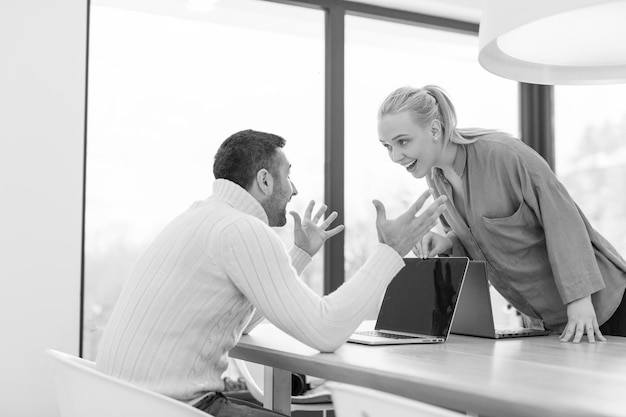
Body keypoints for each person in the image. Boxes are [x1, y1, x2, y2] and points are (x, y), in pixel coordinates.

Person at [96, 129, 447, 417]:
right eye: (288, 174)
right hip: (174, 409)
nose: (294, 189)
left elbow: (239, 321)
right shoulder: (241, 229)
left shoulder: (200, 217)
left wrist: (301, 254)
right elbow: (326, 332)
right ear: (264, 180)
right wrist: (390, 251)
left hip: (120, 403)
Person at [376, 85, 626, 344]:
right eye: (387, 146)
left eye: (402, 141)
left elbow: (563, 220)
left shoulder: (504, 154)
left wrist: (580, 300)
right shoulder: (435, 178)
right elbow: (479, 239)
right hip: (548, 323)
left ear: (435, 130)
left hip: (601, 307)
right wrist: (447, 241)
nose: (395, 156)